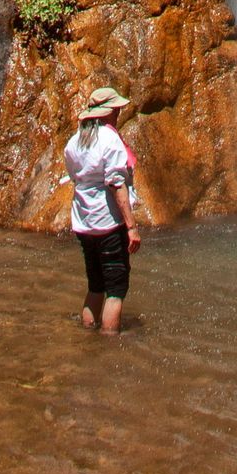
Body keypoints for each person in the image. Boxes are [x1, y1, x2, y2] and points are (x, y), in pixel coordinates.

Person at [64, 86, 141, 335]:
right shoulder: (110, 139)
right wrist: (131, 227)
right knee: (116, 289)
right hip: (108, 222)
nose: (118, 114)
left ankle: (87, 335)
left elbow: (75, 177)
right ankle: (110, 347)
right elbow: (116, 184)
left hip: (84, 223)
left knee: (95, 284)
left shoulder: (74, 141)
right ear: (107, 113)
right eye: (116, 110)